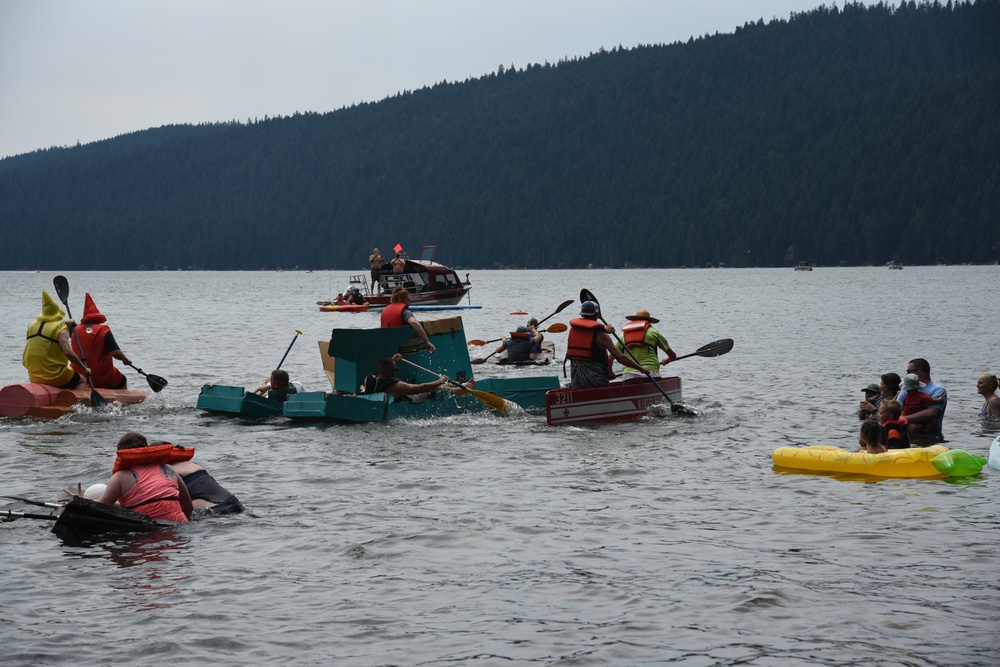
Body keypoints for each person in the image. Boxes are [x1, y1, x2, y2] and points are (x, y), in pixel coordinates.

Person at [94, 432, 192, 522]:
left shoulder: (119, 477)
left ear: (120, 454)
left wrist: (84, 499)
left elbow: (100, 508)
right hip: (179, 526)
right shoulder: (168, 469)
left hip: (148, 531)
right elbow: (188, 507)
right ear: (147, 448)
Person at [565, 301, 650, 389]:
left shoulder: (573, 330)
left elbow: (588, 333)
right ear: (597, 314)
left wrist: (604, 330)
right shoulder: (602, 335)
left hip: (576, 379)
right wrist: (640, 368)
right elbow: (621, 358)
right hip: (595, 380)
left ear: (582, 314)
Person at [22, 290, 92, 389]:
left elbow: (48, 325)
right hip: (55, 376)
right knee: (81, 380)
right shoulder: (61, 329)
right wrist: (84, 369)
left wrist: (69, 322)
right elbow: (68, 353)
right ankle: (77, 404)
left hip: (34, 376)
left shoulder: (31, 326)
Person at [68, 293, 132, 389]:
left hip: (79, 374)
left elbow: (86, 333)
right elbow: (116, 353)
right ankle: (124, 401)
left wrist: (72, 323)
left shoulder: (74, 331)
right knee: (123, 380)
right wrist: (126, 360)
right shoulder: (103, 330)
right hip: (102, 376)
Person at [362, 357, 472, 402]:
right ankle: (459, 389)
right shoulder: (397, 386)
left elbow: (385, 368)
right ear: (390, 371)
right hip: (412, 398)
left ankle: (457, 386)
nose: (397, 370)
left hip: (382, 402)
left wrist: (392, 360)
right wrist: (440, 380)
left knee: (434, 385)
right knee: (435, 387)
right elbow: (422, 387)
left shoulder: (369, 378)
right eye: (396, 369)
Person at [613, 309, 677, 385]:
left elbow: (610, 358)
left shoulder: (622, 335)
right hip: (651, 374)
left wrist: (611, 372)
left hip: (629, 376)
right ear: (648, 321)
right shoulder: (654, 332)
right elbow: (672, 356)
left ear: (634, 320)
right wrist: (667, 360)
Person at [896, 358, 947, 438]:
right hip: (908, 435)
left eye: (909, 371)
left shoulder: (938, 390)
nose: (906, 374)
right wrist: (907, 423)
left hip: (932, 437)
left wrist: (904, 419)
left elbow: (931, 413)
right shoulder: (906, 390)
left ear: (918, 372)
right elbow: (895, 411)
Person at [380, 285, 436, 353]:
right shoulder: (405, 312)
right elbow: (414, 322)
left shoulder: (385, 311)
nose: (410, 303)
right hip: (401, 345)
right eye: (408, 301)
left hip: (387, 345)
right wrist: (427, 341)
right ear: (400, 300)